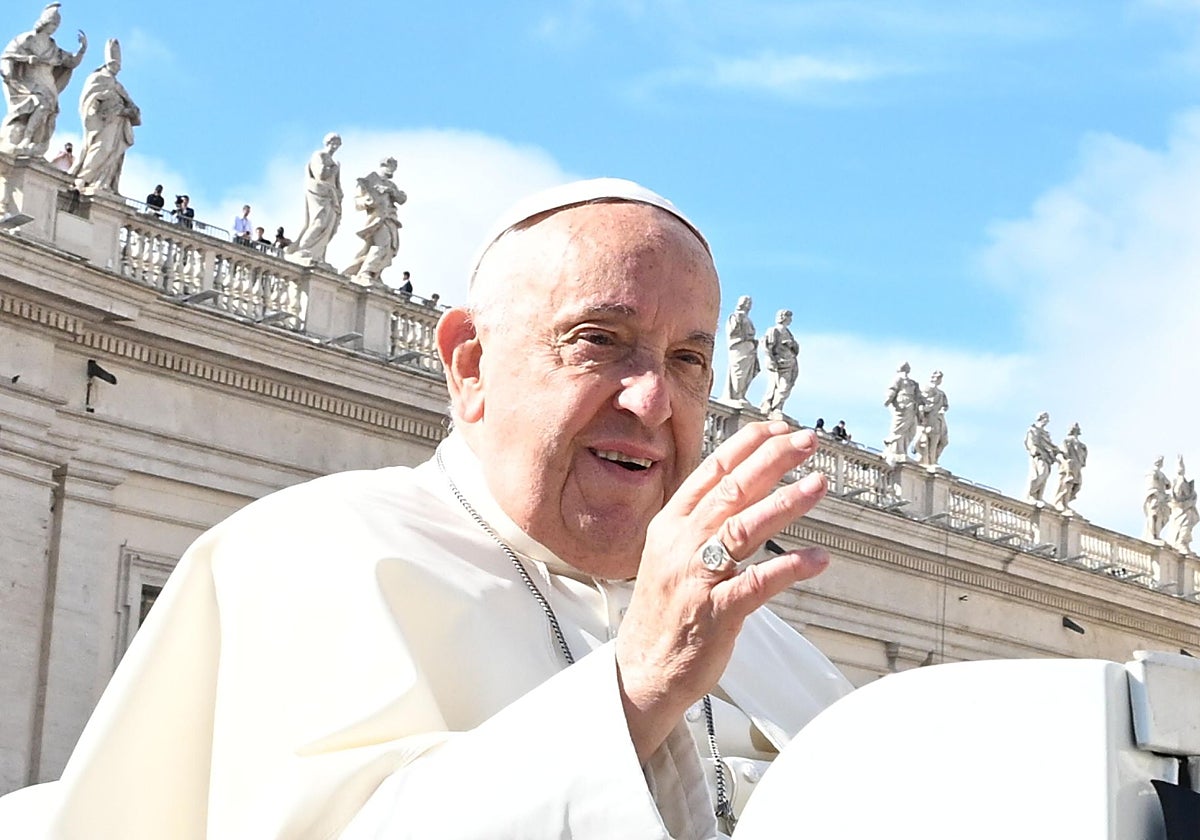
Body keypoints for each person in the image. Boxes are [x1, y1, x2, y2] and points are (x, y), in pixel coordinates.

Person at [0, 178, 851, 838]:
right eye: (600, 341)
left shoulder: (778, 650)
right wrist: (632, 691)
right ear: (470, 364)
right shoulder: (304, 557)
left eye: (689, 360)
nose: (654, 400)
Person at [0, 3, 87, 157]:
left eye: (56, 25)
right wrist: (27, 59)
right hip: (29, 80)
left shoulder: (53, 46)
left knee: (48, 111)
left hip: (47, 82)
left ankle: (34, 141)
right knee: (41, 104)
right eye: (52, 23)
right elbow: (7, 56)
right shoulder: (27, 38)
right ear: (44, 22)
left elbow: (70, 61)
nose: (54, 27)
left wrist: (82, 50)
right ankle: (26, 138)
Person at [69, 38, 140, 194]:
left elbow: (133, 106)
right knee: (101, 148)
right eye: (114, 65)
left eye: (118, 67)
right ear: (108, 64)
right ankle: (83, 178)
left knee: (112, 153)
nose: (117, 69)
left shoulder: (118, 85)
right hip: (103, 123)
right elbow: (88, 99)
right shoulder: (97, 78)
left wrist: (129, 110)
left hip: (118, 125)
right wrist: (96, 108)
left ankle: (102, 182)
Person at [344, 156, 406, 285]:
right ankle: (366, 272)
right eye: (392, 168)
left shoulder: (391, 184)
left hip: (390, 219)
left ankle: (374, 272)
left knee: (390, 249)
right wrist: (368, 201)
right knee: (382, 244)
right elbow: (358, 201)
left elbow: (402, 199)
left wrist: (391, 191)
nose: (393, 171)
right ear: (384, 165)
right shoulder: (370, 179)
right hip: (377, 219)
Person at [290, 132, 342, 264]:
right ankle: (304, 249)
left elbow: (337, 183)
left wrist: (339, 194)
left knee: (328, 227)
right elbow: (321, 174)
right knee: (318, 222)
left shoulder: (335, 162)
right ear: (327, 143)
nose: (335, 146)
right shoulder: (319, 155)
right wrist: (333, 169)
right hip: (319, 194)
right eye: (333, 142)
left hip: (331, 196)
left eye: (337, 143)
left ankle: (317, 255)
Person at [758, 309, 798, 417]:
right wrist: (770, 359)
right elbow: (767, 346)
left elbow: (796, 349)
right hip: (779, 362)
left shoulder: (789, 333)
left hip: (790, 362)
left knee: (786, 386)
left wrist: (792, 344)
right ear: (784, 317)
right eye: (789, 317)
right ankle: (772, 406)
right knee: (779, 385)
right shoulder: (774, 330)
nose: (790, 320)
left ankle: (778, 407)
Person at [882, 361, 922, 467]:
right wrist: (888, 399)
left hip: (911, 407)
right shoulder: (898, 379)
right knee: (899, 428)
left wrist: (921, 409)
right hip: (902, 406)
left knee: (911, 430)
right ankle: (897, 450)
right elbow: (892, 389)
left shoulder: (913, 383)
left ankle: (902, 450)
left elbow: (919, 397)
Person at [724, 295, 758, 404]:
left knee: (747, 373)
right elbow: (732, 332)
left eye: (750, 303)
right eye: (746, 302)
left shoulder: (748, 319)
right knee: (738, 371)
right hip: (739, 347)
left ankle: (741, 394)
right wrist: (739, 320)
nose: (748, 305)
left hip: (749, 350)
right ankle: (736, 395)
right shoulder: (735, 316)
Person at [913, 370, 949, 468]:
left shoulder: (941, 393)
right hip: (929, 418)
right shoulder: (926, 388)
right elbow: (921, 401)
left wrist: (942, 409)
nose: (938, 380)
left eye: (940, 378)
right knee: (930, 439)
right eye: (937, 377)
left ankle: (933, 460)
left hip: (938, 419)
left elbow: (945, 405)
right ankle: (930, 461)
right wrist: (923, 410)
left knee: (943, 441)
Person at [1166, 457, 1198, 554]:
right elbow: (1175, 497)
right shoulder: (1178, 482)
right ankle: (1180, 542)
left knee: (1185, 527)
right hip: (1181, 510)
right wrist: (1187, 502)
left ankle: (1181, 542)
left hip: (1186, 510)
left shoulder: (1184, 482)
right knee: (1182, 527)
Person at [1024, 412, 1059, 503]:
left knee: (1045, 475)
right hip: (1038, 455)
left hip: (1047, 457)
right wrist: (1034, 450)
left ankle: (1039, 497)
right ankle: (1031, 494)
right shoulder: (1033, 429)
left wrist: (1058, 451)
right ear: (1041, 418)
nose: (1047, 421)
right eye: (1046, 418)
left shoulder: (1045, 433)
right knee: (1040, 474)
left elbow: (1050, 445)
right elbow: (1030, 442)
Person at [1052, 422, 1087, 513]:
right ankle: (1060, 502)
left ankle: (1065, 503)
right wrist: (1065, 462)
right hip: (1068, 465)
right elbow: (1061, 453)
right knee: (1066, 484)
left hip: (1077, 467)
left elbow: (1083, 459)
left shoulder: (1082, 446)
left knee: (1076, 486)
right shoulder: (1067, 441)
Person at [1144, 456, 1170, 543]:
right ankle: (1152, 536)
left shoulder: (1161, 474)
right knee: (1153, 516)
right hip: (1155, 496)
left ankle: (1157, 535)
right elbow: (1150, 485)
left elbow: (1168, 484)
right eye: (1158, 460)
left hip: (1161, 497)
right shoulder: (1151, 472)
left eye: (1160, 461)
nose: (1159, 462)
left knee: (1159, 517)